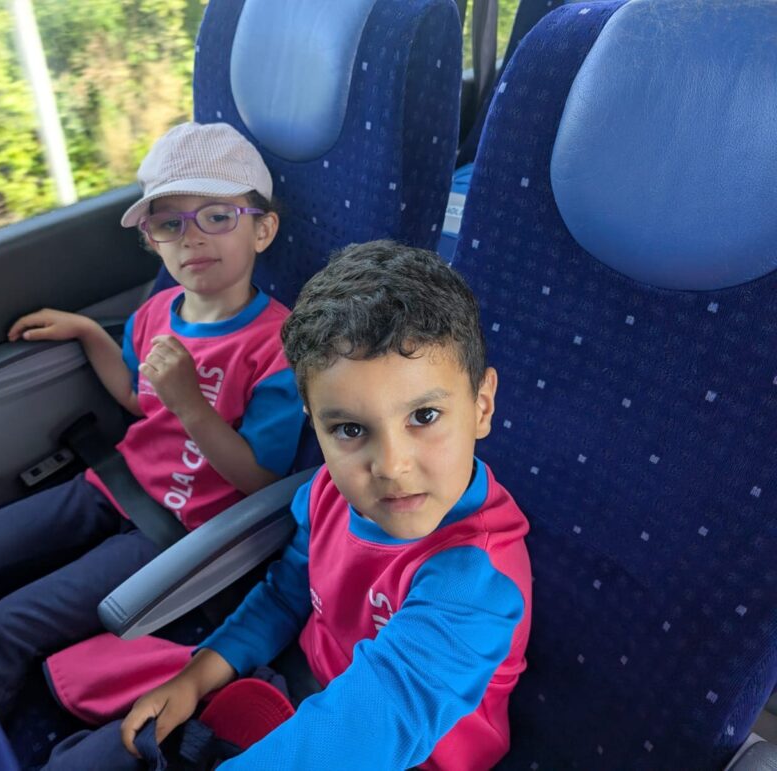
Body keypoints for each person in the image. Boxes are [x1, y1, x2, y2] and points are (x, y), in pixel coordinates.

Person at [44, 240, 532, 770]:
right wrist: (199, 676)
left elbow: (368, 725)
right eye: (350, 430)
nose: (391, 467)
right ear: (313, 422)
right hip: (298, 687)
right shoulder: (327, 494)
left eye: (425, 417)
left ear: (482, 406)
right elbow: (285, 596)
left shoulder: (476, 583)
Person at [0, 121, 305, 721]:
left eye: (218, 216)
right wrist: (91, 333)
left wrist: (192, 404)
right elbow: (139, 401)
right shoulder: (155, 314)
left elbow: (260, 481)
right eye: (170, 224)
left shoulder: (278, 346)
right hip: (111, 485)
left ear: (262, 229)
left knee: (5, 625)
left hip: (182, 532)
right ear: (153, 241)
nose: (193, 237)